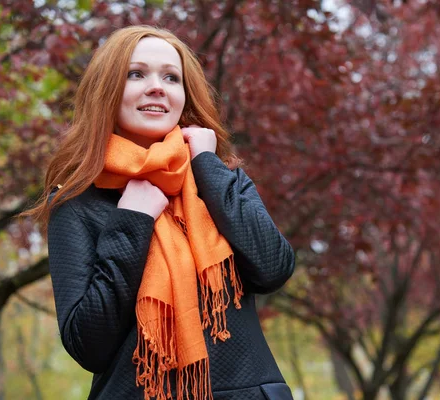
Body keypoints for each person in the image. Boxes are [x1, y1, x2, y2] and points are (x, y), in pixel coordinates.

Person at [26, 25, 295, 400]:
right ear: (106, 91)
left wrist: (207, 164)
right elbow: (89, 345)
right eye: (136, 74)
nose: (157, 86)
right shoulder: (76, 202)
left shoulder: (219, 176)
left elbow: (272, 268)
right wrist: (132, 222)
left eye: (171, 77)